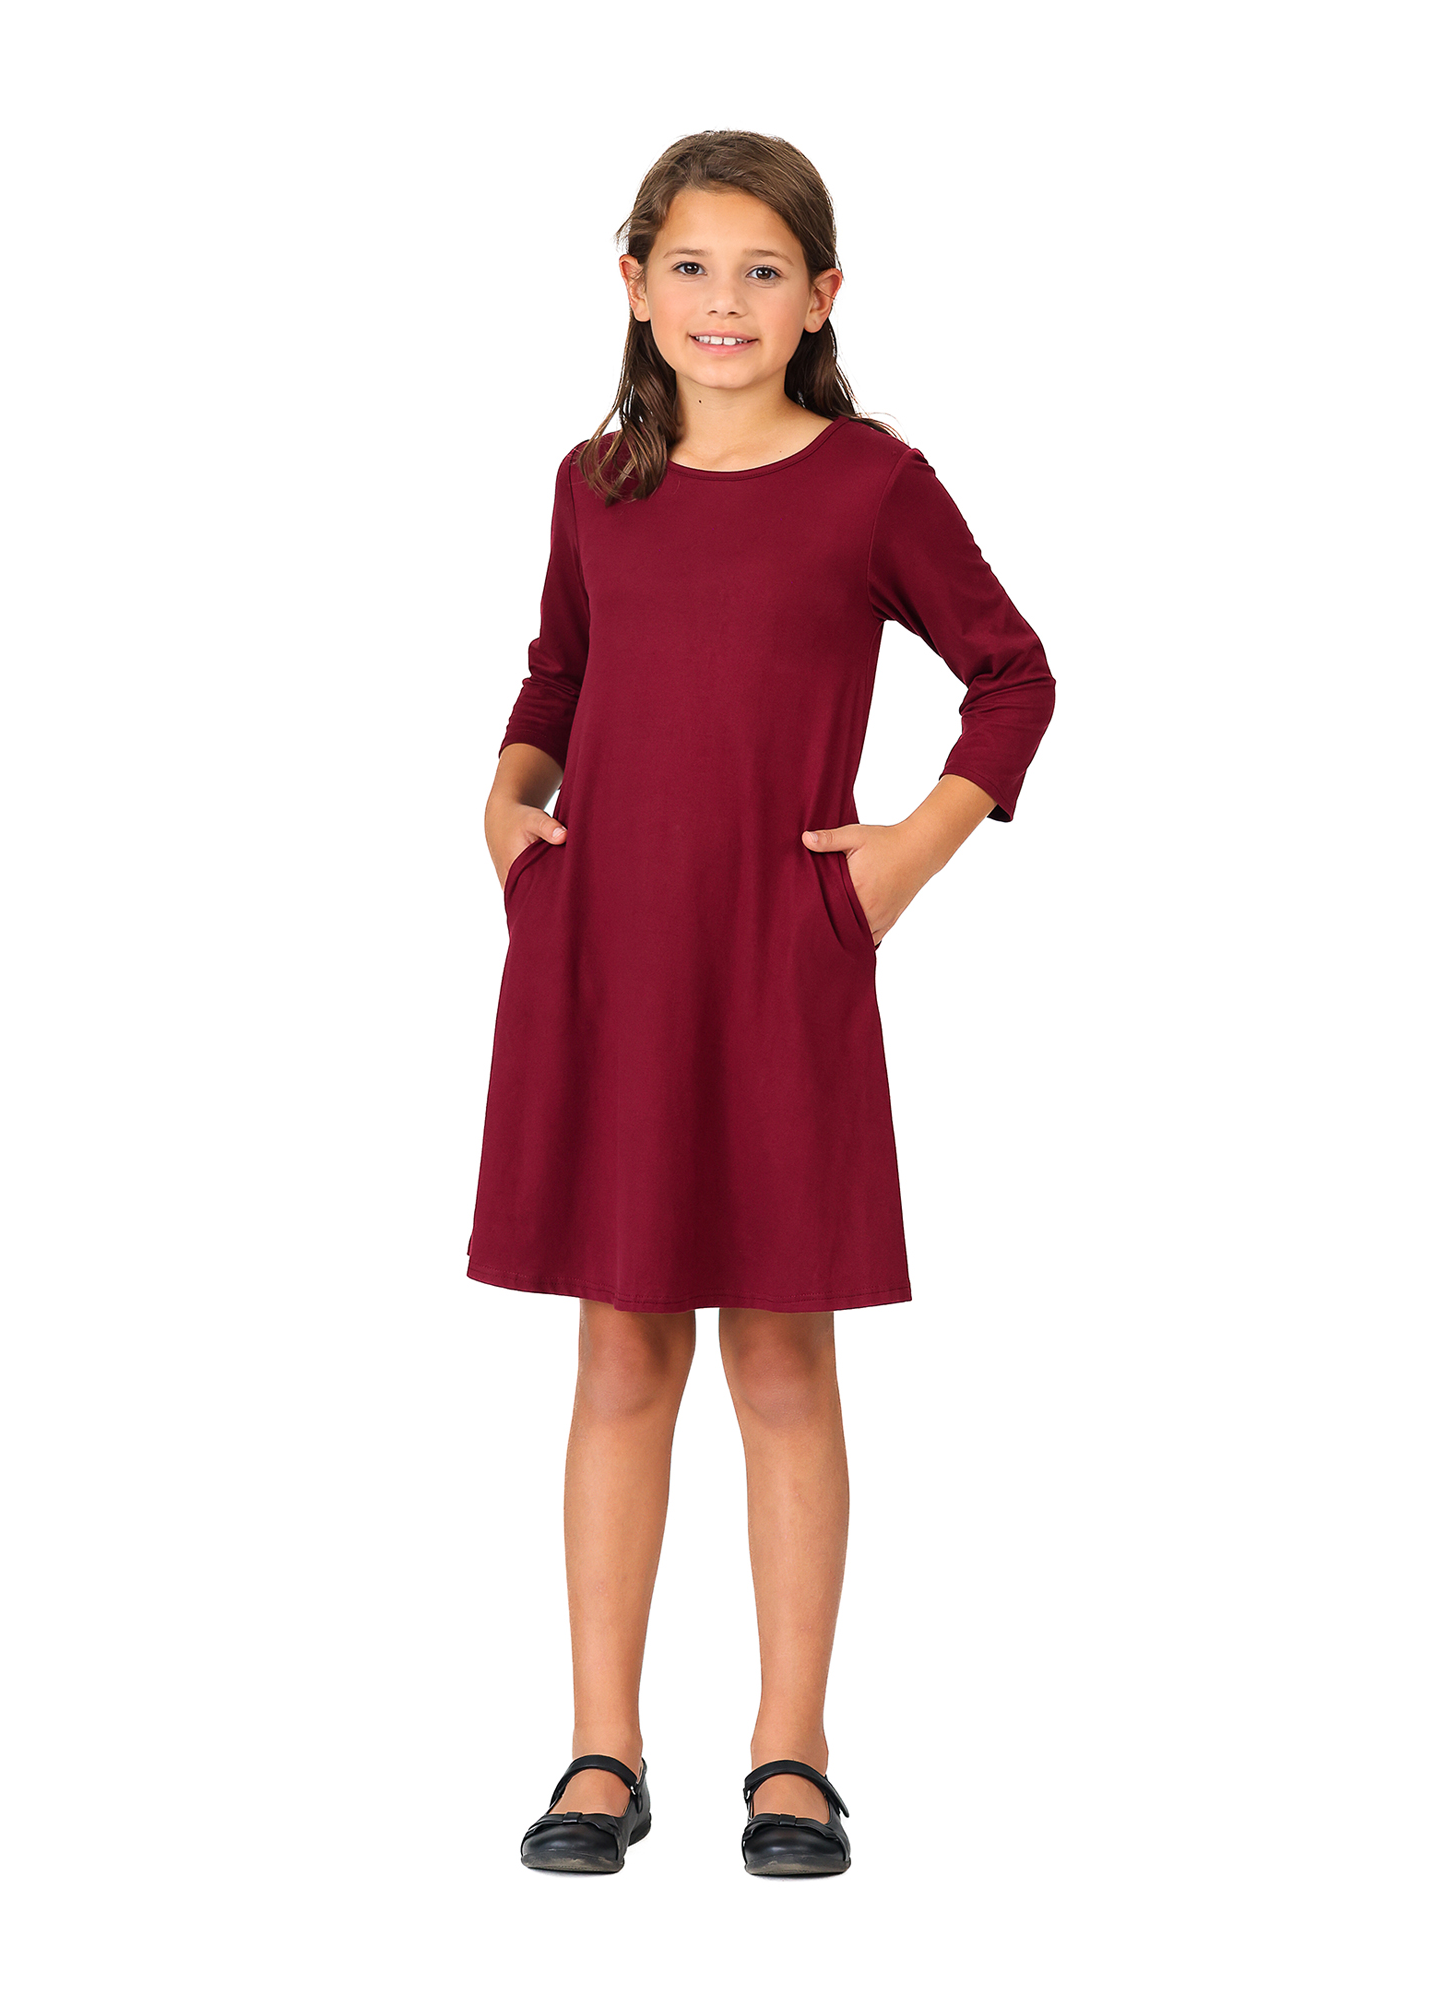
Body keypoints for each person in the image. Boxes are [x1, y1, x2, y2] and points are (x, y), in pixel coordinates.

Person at [468, 130, 1056, 1877]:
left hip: (780, 960)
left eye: (763, 271)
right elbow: (558, 670)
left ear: (822, 296)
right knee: (619, 1347)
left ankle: (790, 1752)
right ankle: (601, 1750)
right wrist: (507, 806)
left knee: (783, 1355)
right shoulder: (594, 482)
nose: (723, 302)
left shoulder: (871, 484)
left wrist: (901, 860)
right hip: (606, 955)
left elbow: (1015, 677)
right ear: (634, 283)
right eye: (691, 267)